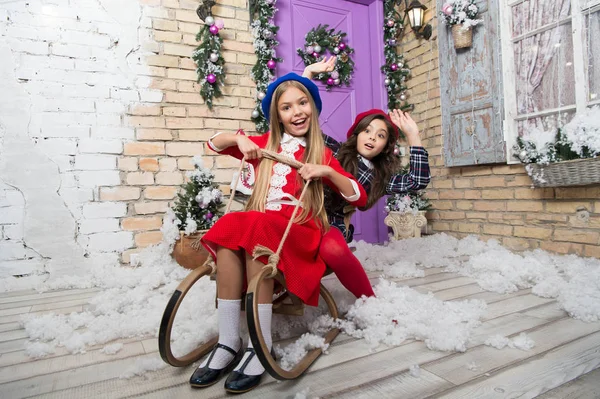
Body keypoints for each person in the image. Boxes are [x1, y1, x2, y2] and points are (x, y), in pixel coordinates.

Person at [191, 73, 367, 394]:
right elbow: (213, 143)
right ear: (277, 115)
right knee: (234, 224)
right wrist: (237, 139)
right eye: (286, 107)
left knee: (255, 225)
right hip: (262, 226)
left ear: (313, 106)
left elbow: (359, 195)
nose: (296, 111)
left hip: (297, 233)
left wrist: (326, 171)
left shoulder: (321, 153)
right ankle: (229, 340)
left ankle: (261, 344)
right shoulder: (263, 144)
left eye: (302, 103)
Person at [304, 58, 431, 298]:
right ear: (357, 133)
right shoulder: (335, 151)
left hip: (333, 228)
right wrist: (308, 73)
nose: (372, 137)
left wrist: (414, 137)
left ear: (385, 146)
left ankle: (368, 300)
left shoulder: (379, 178)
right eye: (367, 130)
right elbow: (307, 127)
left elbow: (418, 181)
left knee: (332, 249)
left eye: (380, 135)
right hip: (305, 216)